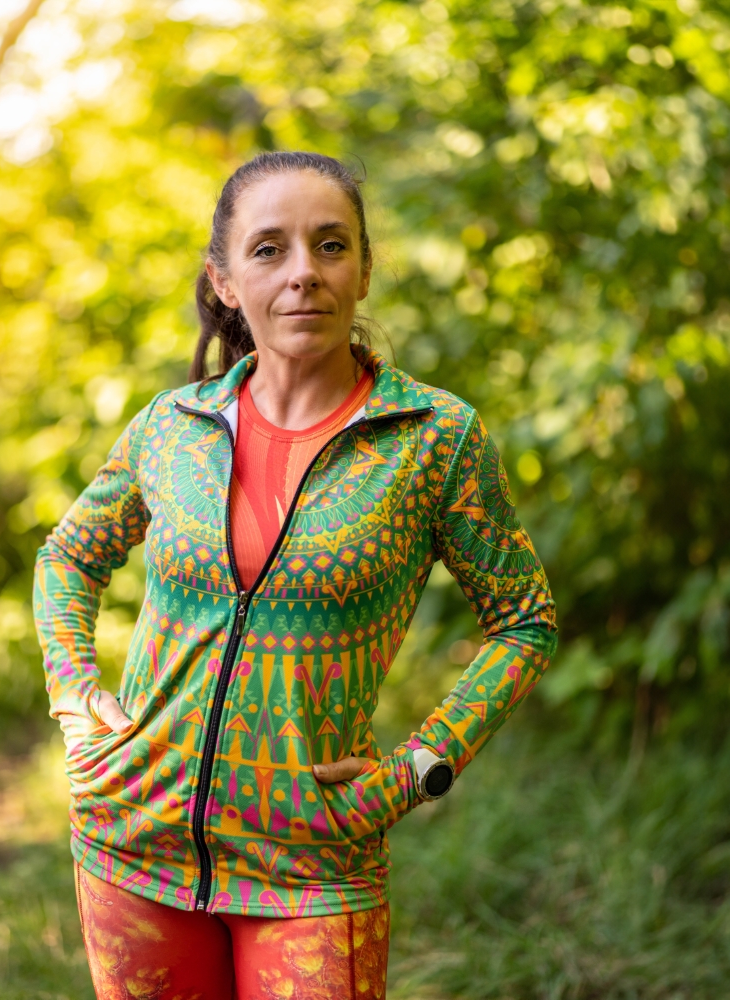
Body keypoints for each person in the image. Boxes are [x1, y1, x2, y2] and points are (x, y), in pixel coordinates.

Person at [33, 151, 557, 999]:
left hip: (314, 866)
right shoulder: (171, 426)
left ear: (363, 270)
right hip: (130, 843)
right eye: (269, 249)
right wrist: (74, 698)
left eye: (330, 245)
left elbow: (524, 621)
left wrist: (423, 764)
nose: (303, 272)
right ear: (225, 281)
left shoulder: (433, 437)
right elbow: (68, 556)